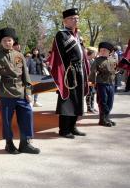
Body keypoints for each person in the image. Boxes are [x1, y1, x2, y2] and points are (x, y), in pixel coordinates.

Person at [0, 27, 40, 155]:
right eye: (4, 41)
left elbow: (26, 75)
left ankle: (25, 143)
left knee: (27, 116)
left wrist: (28, 92)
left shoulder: (19, 55)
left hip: (21, 91)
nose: (7, 42)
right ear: (0, 42)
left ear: (13, 41)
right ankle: (9, 143)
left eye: (9, 40)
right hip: (6, 92)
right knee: (7, 121)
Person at [48, 8, 89, 139]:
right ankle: (64, 129)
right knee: (67, 101)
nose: (76, 20)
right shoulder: (61, 34)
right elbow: (59, 55)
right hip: (69, 72)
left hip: (80, 71)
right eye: (72, 18)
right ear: (65, 21)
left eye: (77, 18)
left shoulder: (77, 35)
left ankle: (73, 127)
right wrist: (67, 70)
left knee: (77, 100)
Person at [89, 42, 117, 127]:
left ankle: (107, 118)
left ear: (110, 52)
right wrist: (93, 82)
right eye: (101, 50)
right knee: (102, 102)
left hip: (111, 83)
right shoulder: (97, 60)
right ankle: (102, 120)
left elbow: (115, 69)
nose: (103, 51)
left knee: (110, 102)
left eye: (105, 50)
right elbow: (93, 71)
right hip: (101, 83)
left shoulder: (113, 59)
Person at [85, 47, 98, 113]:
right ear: (91, 53)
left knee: (93, 93)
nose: (96, 54)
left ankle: (92, 107)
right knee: (89, 94)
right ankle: (89, 108)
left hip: (93, 79)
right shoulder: (86, 60)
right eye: (95, 53)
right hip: (88, 79)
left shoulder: (93, 60)